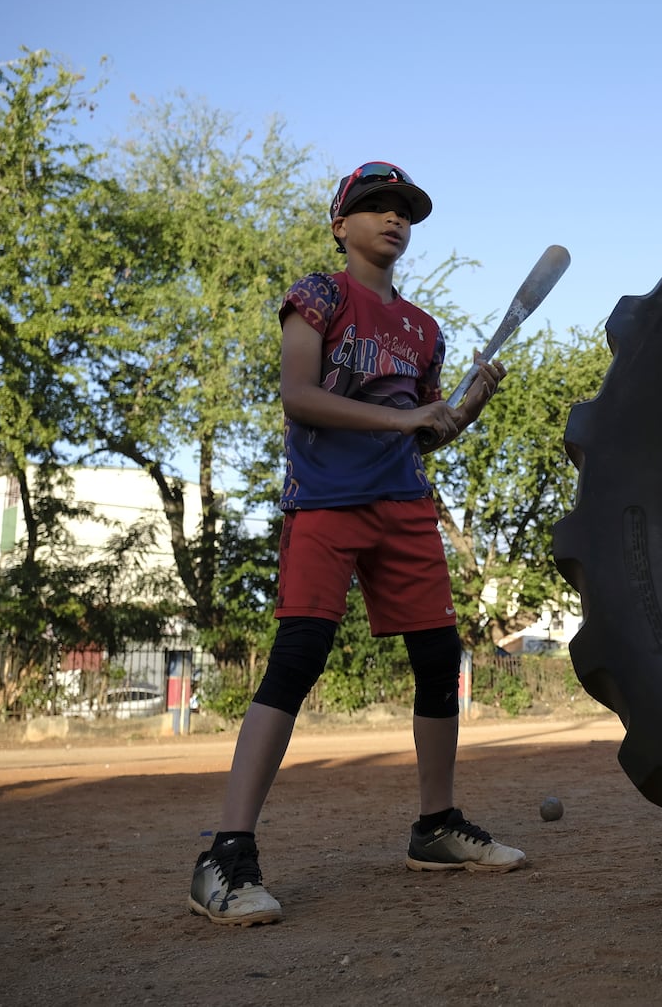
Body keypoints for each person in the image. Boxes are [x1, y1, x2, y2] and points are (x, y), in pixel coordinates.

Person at [188, 162, 524, 927]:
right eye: (373, 207)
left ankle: (436, 827)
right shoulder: (320, 295)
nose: (392, 219)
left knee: (439, 659)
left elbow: (420, 430)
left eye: (403, 210)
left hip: (403, 502)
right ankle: (226, 853)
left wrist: (458, 411)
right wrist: (409, 419)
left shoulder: (423, 330)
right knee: (299, 656)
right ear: (341, 225)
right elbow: (300, 395)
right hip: (327, 502)